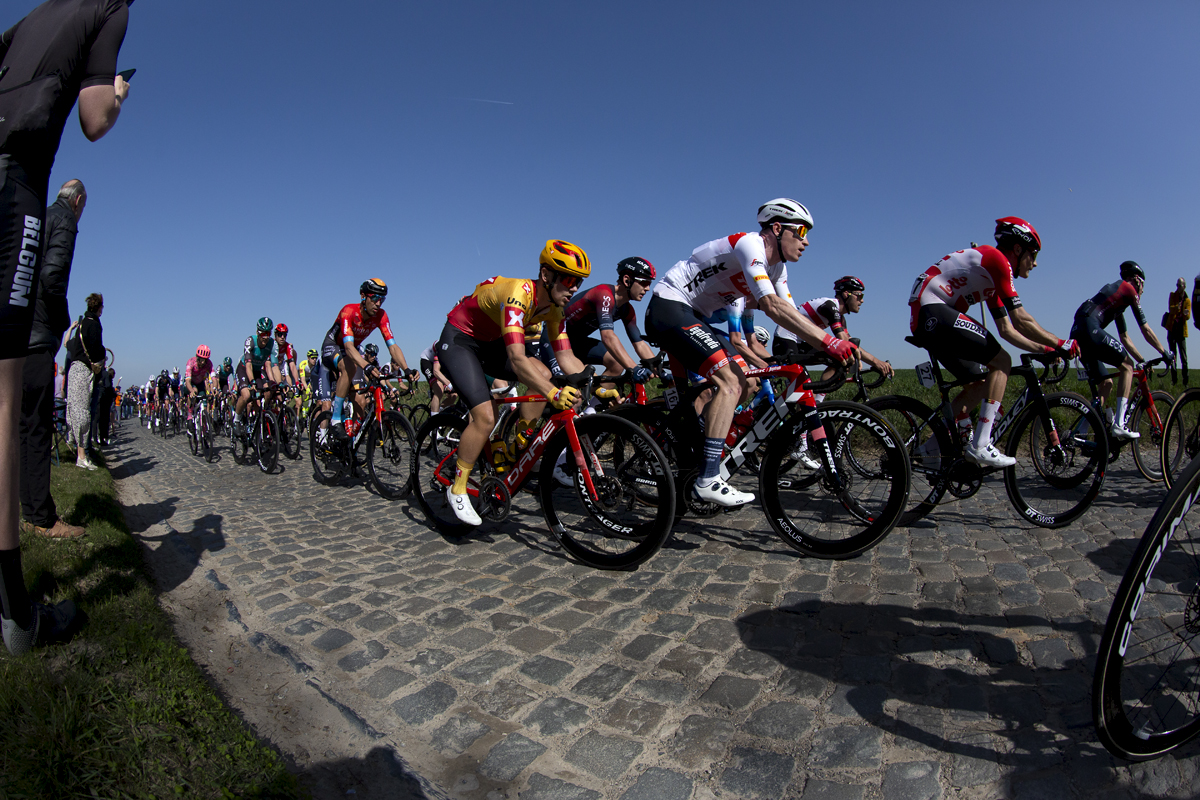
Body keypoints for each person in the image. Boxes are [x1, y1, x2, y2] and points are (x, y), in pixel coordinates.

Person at [1, 0, 132, 655]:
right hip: (14, 185)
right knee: (9, 406)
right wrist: (117, 91)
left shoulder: (34, 18)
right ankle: (15, 616)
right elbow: (93, 120)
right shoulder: (109, 9)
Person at [645, 199, 855, 507]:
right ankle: (708, 478)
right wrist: (831, 342)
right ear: (777, 228)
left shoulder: (778, 267)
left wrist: (822, 349)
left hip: (693, 315)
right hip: (669, 305)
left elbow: (788, 312)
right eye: (801, 231)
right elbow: (770, 305)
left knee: (741, 382)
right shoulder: (750, 245)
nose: (806, 240)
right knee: (730, 382)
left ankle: (693, 457)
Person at [438, 240, 591, 525]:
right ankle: (458, 487)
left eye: (579, 283)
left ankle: (521, 439)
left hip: (489, 344)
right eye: (569, 280)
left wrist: (597, 381)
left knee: (544, 374)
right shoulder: (519, 294)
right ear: (546, 275)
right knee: (485, 416)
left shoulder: (555, 310)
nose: (574, 288)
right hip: (460, 340)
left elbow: (567, 357)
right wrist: (555, 394)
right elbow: (518, 359)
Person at [909, 218, 1079, 467]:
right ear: (1018, 249)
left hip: (930, 315)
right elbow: (1021, 319)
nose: (1035, 262)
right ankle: (981, 444)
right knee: (1002, 362)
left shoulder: (988, 279)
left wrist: (1045, 349)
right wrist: (1061, 342)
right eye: (1033, 254)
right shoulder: (997, 261)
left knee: (979, 384)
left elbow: (1007, 330)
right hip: (932, 308)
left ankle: (928, 451)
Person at [19, 180, 87, 540]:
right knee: (37, 427)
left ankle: (29, 510)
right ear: (77, 202)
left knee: (23, 425)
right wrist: (61, 320)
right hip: (40, 330)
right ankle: (42, 518)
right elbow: (52, 275)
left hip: (18, 330)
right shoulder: (65, 221)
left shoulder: (38, 218)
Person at [1070, 261, 1168, 439]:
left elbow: (1125, 338)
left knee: (1106, 384)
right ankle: (1119, 424)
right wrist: (1164, 352)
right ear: (1136, 280)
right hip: (1090, 328)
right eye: (1143, 285)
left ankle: (1080, 433)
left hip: (1078, 330)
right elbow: (1145, 329)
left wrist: (1141, 359)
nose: (1143, 291)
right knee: (1127, 366)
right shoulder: (1129, 290)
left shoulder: (1117, 298)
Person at [320, 279, 416, 442]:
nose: (379, 303)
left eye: (382, 299)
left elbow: (393, 347)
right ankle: (335, 419)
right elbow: (349, 347)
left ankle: (352, 449)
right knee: (350, 367)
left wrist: (406, 370)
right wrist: (366, 366)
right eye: (375, 298)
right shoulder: (349, 311)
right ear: (363, 296)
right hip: (334, 346)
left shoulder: (381, 316)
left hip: (352, 351)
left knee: (360, 399)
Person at [562, 256, 659, 393]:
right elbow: (607, 336)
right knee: (579, 390)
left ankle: (594, 409)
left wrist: (657, 368)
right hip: (556, 340)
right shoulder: (604, 294)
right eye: (644, 282)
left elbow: (639, 343)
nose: (648, 288)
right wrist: (634, 368)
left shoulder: (627, 310)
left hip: (577, 343)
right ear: (627, 280)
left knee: (617, 364)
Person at [772, 276, 894, 380]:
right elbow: (844, 342)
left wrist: (876, 361)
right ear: (846, 294)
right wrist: (876, 362)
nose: (861, 300)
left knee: (837, 359)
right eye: (859, 295)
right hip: (784, 341)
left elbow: (850, 344)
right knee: (799, 390)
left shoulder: (840, 318)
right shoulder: (830, 306)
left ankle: (817, 403)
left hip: (800, 343)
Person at [64, 293, 104, 469]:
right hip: (84, 371)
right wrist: (101, 358)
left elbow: (69, 346)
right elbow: (96, 349)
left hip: (74, 369)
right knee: (83, 413)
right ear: (99, 307)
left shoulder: (81, 324)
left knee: (74, 409)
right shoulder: (93, 324)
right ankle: (81, 456)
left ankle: (74, 446)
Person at [1167, 277, 1190, 384]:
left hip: (1181, 332)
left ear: (1184, 286)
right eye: (1177, 285)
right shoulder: (1172, 295)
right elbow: (1171, 309)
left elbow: (1188, 315)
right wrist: (1178, 308)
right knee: (1173, 357)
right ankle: (1174, 380)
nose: (1177, 287)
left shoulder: (1187, 300)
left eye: (1179, 285)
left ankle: (1185, 381)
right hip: (1172, 330)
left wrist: (1185, 313)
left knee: (1183, 358)